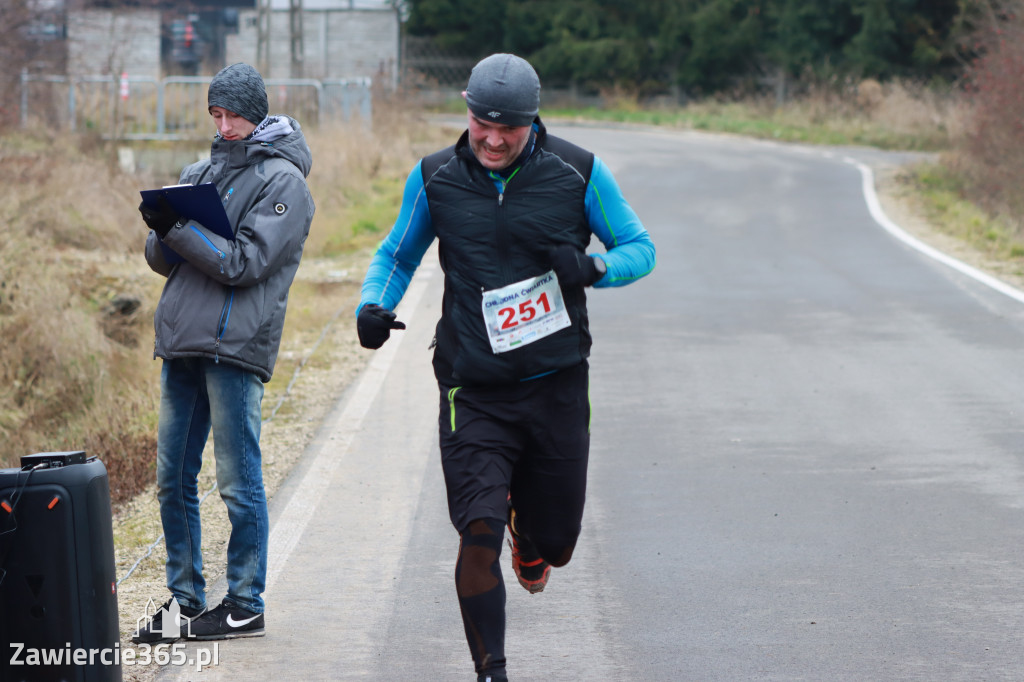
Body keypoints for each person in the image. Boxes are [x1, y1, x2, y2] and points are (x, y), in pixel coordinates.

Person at [356, 53, 656, 681]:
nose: (491, 140)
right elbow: (396, 254)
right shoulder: (435, 177)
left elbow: (640, 248)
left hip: (556, 388)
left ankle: (533, 533)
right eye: (479, 123)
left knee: (558, 546)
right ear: (466, 110)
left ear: (533, 120)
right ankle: (491, 670)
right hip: (475, 389)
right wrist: (373, 305)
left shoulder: (577, 173)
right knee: (477, 532)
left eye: (508, 129)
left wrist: (596, 268)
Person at [133, 63, 315, 643]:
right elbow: (164, 260)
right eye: (216, 113)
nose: (225, 124)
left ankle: (244, 602)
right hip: (184, 341)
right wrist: (160, 226)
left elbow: (245, 263)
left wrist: (182, 227)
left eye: (234, 114)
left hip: (235, 347)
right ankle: (185, 602)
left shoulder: (284, 182)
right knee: (171, 480)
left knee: (238, 483)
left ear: (257, 114)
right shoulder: (198, 170)